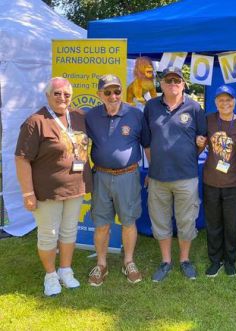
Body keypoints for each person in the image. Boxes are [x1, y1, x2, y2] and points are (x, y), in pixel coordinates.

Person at [15, 77, 90, 296]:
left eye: (66, 94)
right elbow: (21, 159)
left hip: (75, 187)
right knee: (49, 234)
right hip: (47, 191)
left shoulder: (77, 117)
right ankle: (50, 276)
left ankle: (65, 270)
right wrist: (27, 192)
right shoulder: (35, 121)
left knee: (69, 231)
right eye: (57, 93)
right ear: (48, 95)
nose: (62, 98)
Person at [85, 74, 150, 286]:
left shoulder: (135, 114)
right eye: (108, 92)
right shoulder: (90, 116)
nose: (113, 96)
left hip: (128, 176)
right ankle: (101, 264)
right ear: (99, 95)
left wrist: (152, 170)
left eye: (117, 91)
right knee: (102, 224)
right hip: (101, 176)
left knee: (129, 222)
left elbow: (147, 145)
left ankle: (128, 262)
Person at [144, 66, 207, 281]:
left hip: (186, 176)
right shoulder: (151, 106)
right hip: (158, 177)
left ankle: (184, 260)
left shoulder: (194, 107)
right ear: (161, 84)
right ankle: (165, 261)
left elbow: (201, 140)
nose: (172, 84)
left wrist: (190, 153)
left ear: (183, 84)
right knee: (160, 220)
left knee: (186, 220)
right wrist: (153, 167)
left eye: (176, 81)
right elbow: (147, 143)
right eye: (168, 80)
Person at [196, 85, 236, 277]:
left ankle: (230, 260)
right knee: (214, 223)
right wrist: (199, 142)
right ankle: (215, 260)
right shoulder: (208, 120)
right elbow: (199, 146)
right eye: (221, 100)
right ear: (215, 102)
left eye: (228, 99)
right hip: (211, 181)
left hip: (234, 183)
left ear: (234, 102)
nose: (225, 103)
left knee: (232, 224)